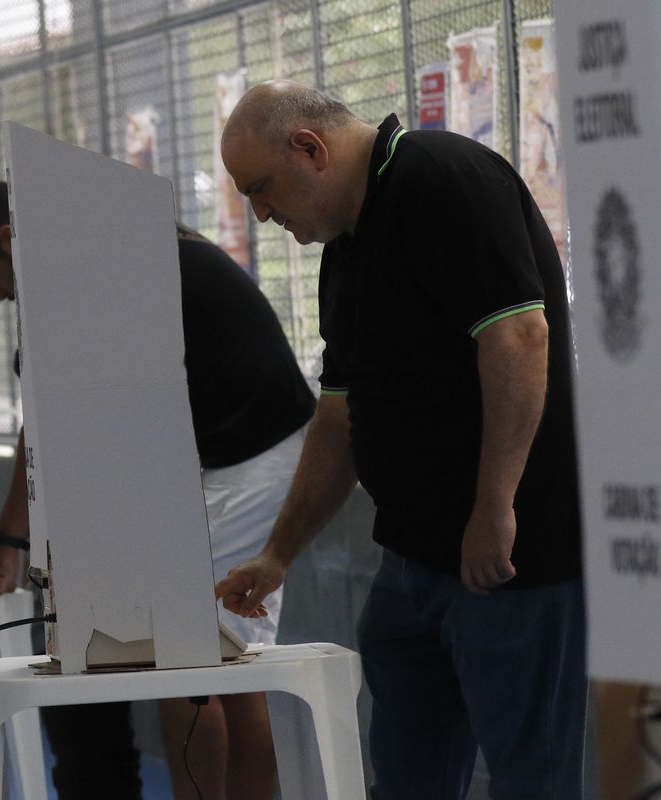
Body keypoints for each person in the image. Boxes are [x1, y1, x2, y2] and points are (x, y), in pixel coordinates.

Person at [213, 80, 588, 798]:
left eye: (261, 190)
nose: (261, 215)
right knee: (409, 777)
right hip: (414, 561)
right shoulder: (347, 250)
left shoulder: (444, 179)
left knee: (530, 778)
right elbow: (339, 415)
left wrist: (494, 507)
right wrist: (279, 552)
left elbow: (518, 336)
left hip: (508, 557)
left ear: (309, 148)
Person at [0, 181, 316, 800]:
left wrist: (15, 533)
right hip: (215, 458)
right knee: (215, 664)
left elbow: (45, 420)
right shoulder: (118, 253)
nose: (0, 294)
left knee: (193, 660)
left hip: (254, 459)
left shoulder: (100, 269)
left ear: (12, 239)